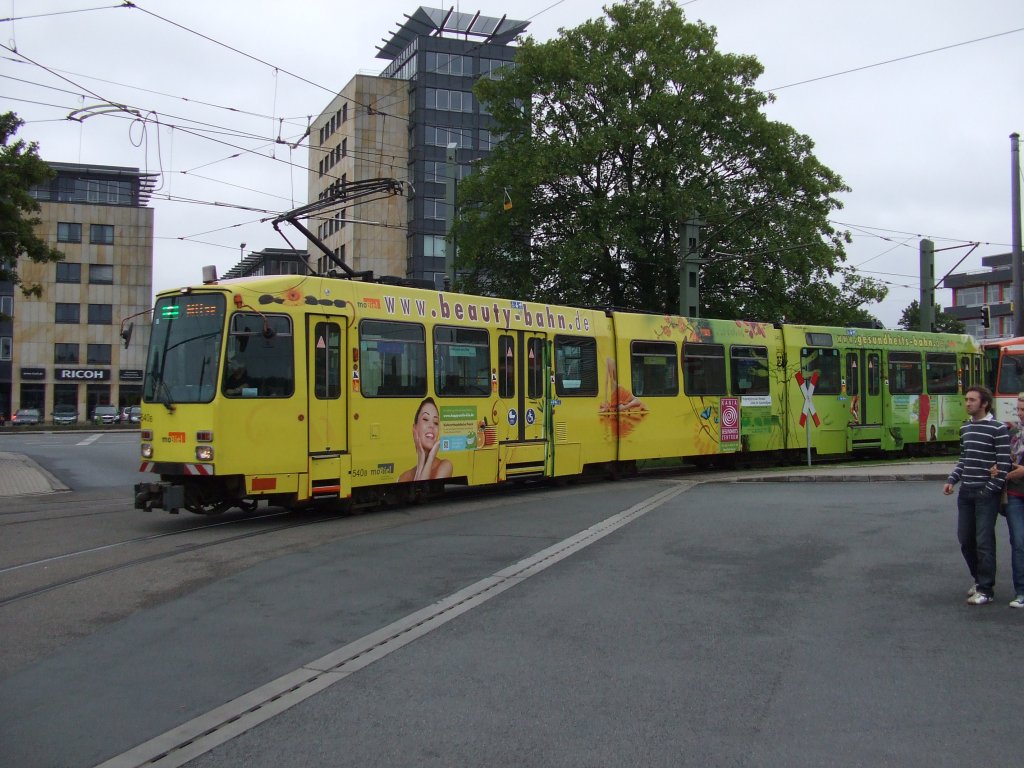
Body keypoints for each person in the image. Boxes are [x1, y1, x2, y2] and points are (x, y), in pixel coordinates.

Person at [943, 385, 1011, 605]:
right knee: (965, 539)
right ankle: (978, 578)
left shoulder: (998, 428)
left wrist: (990, 489)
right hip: (966, 492)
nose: (967, 403)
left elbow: (1003, 464)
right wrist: (952, 480)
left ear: (984, 403)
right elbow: (965, 459)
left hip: (986, 493)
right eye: (966, 399)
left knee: (984, 541)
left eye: (972, 400)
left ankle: (986, 589)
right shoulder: (965, 429)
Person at [398, 397, 453, 482]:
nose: (432, 425)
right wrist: (420, 464)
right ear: (415, 428)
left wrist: (431, 456)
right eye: (425, 419)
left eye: (436, 422)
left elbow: (426, 492)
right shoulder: (403, 477)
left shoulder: (445, 466)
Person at [1003, 393, 1024, 608]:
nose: (1019, 413)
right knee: (1018, 543)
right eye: (1018, 409)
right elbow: (1005, 458)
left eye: (1023, 410)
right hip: (1015, 494)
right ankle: (1021, 591)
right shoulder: (1014, 433)